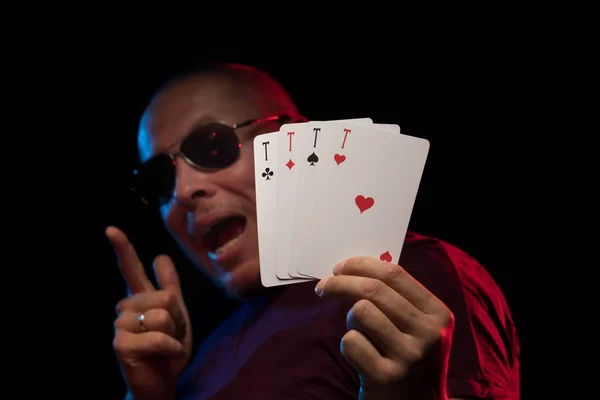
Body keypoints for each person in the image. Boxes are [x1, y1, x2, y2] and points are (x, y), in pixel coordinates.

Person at [107, 62, 520, 400]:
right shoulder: (194, 357)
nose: (182, 191)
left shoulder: (405, 277)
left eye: (211, 147)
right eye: (159, 178)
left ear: (297, 141)